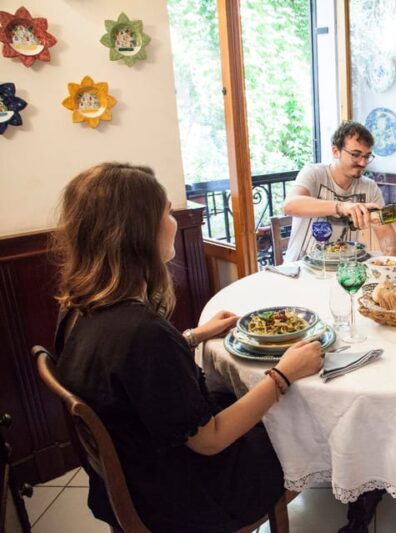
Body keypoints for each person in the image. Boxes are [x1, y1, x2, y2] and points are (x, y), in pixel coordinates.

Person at [51, 163, 323, 532]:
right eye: (165, 211)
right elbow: (209, 441)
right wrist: (282, 375)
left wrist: (194, 336)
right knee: (294, 423)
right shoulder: (143, 333)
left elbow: (128, 373)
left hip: (138, 472)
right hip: (182, 496)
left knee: (231, 390)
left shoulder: (79, 309)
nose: (174, 220)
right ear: (138, 233)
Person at [283, 120, 396, 262]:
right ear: (336, 151)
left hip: (344, 274)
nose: (363, 163)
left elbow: (385, 232)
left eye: (366, 156)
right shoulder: (314, 173)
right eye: (355, 154)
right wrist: (341, 207)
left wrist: (393, 252)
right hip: (300, 271)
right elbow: (289, 206)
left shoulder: (370, 188)